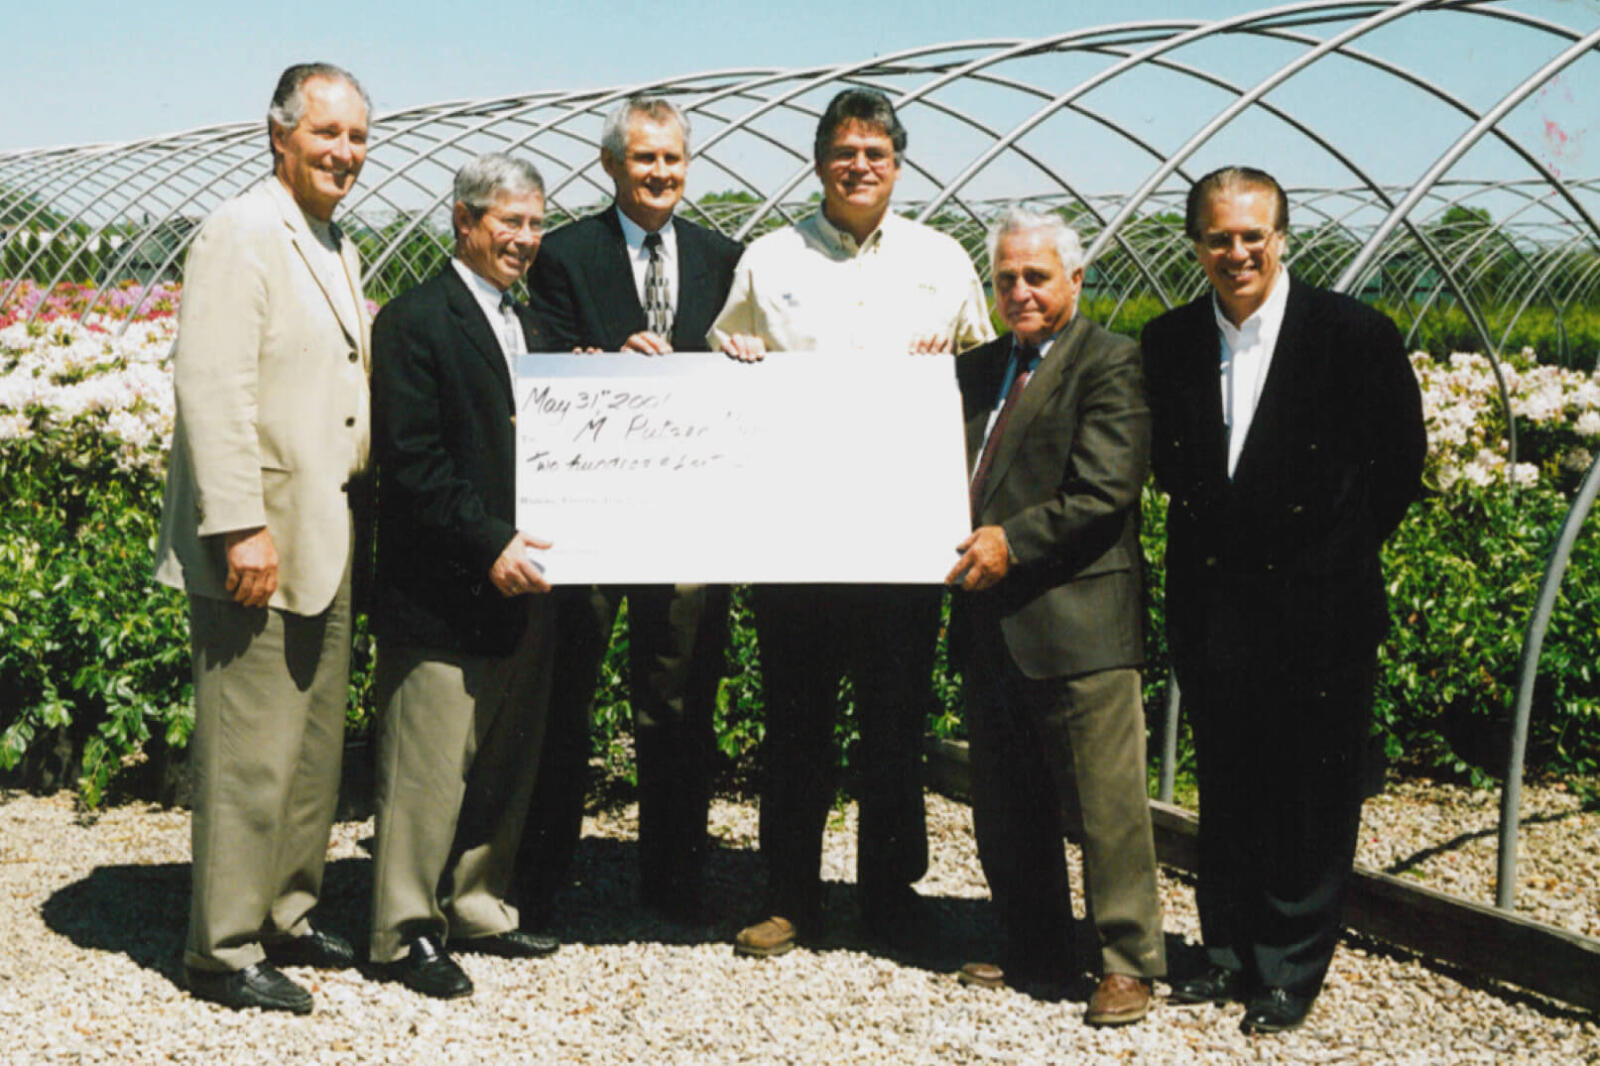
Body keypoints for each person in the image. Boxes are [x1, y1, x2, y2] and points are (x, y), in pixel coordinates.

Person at [712, 87, 994, 957]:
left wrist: (946, 370)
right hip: (796, 537)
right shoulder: (769, 258)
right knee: (796, 722)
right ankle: (790, 897)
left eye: (875, 152)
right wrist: (736, 354)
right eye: (844, 151)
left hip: (904, 541)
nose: (859, 165)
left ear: (897, 165)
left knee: (894, 722)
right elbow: (724, 365)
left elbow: (984, 381)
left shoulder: (943, 260)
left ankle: (888, 897)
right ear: (819, 162)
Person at [1141, 166, 1424, 1033]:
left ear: (1282, 237)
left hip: (1319, 608)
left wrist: (1328, 559)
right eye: (1219, 237)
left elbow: (1397, 468)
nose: (1237, 252)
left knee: (1310, 789)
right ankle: (1227, 950)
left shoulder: (1352, 335)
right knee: (1227, 781)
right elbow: (1170, 470)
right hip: (1215, 603)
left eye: (1252, 235)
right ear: (1196, 245)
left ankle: (1289, 967)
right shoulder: (1170, 340)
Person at [152, 61, 372, 1014]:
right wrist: (240, 525)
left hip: (324, 529)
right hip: (263, 538)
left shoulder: (331, 241)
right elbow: (213, 384)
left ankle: (285, 909)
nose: (346, 153)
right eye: (328, 135)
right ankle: (224, 948)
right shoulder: (243, 231)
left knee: (311, 745)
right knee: (250, 750)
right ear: (279, 135)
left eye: (359, 137)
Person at [521, 96, 743, 924]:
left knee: (679, 694)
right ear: (611, 166)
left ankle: (675, 882)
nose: (659, 174)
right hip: (591, 512)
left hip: (688, 516)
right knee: (565, 692)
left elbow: (743, 357)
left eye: (672, 160)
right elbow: (536, 353)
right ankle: (540, 879)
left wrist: (743, 352)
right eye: (643, 159)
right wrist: (601, 363)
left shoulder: (726, 258)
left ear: (689, 166)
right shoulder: (564, 254)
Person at [945, 207, 1165, 1025]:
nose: (1020, 292)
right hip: (989, 615)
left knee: (1106, 805)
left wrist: (1012, 541)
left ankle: (1127, 961)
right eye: (1005, 278)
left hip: (1078, 619)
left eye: (1036, 276)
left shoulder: (1110, 364)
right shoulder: (977, 368)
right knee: (1007, 800)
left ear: (1075, 279)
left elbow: (1104, 490)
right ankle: (1035, 943)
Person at [366, 153, 560, 1000]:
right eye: (507, 222)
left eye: (534, 223)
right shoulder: (414, 320)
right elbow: (412, 464)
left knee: (501, 765)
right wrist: (489, 543)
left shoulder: (534, 322)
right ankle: (402, 930)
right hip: (446, 584)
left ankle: (476, 900)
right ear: (464, 222)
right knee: (428, 767)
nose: (523, 239)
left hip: (528, 581)